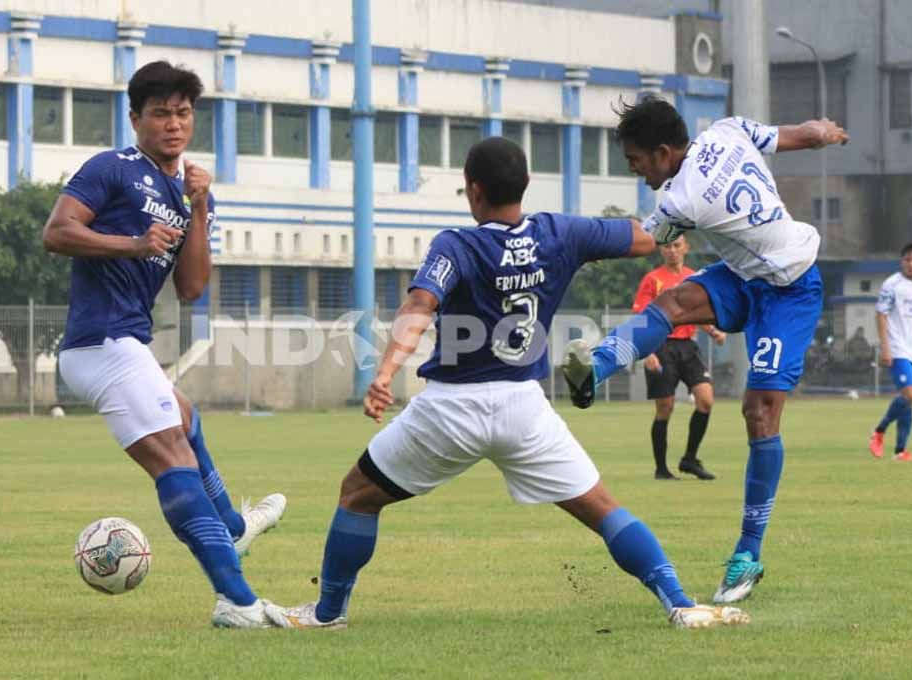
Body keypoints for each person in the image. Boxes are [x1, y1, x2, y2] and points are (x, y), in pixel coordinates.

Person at [264, 137, 750, 631]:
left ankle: (328, 613)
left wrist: (386, 372)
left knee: (357, 494)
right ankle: (680, 603)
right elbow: (645, 238)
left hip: (451, 410)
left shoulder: (457, 244)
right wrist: (691, 199)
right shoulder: (561, 233)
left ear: (472, 190)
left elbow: (418, 307)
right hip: (525, 408)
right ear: (526, 185)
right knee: (604, 510)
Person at [560, 97, 848, 604]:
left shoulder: (683, 200)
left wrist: (571, 242)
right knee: (671, 302)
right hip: (743, 277)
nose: (635, 170)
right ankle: (596, 369)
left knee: (759, 411)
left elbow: (639, 241)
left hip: (790, 289)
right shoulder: (727, 130)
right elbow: (795, 133)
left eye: (636, 161)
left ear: (665, 152)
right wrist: (824, 130)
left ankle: (748, 553)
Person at [41, 61, 285, 629]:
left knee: (185, 419)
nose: (173, 124)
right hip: (100, 341)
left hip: (126, 341)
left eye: (182, 112)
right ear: (136, 118)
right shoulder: (112, 168)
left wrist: (200, 206)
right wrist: (133, 242)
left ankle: (233, 528)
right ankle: (238, 602)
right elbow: (56, 232)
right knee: (173, 459)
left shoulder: (188, 191)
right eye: (159, 113)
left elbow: (192, 288)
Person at [630, 235, 726, 480]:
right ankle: (661, 469)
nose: (672, 250)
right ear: (662, 250)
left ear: (686, 247)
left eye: (676, 245)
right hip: (661, 345)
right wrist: (647, 352)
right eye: (667, 246)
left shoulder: (696, 278)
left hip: (688, 346)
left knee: (705, 400)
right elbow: (641, 318)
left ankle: (689, 459)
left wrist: (712, 330)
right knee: (665, 407)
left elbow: (696, 312)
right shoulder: (653, 280)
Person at [869, 243, 912, 461]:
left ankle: (900, 451)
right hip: (897, 348)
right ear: (902, 262)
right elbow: (881, 314)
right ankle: (879, 430)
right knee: (910, 393)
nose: (911, 263)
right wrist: (885, 346)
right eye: (907, 259)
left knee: (909, 401)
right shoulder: (892, 285)